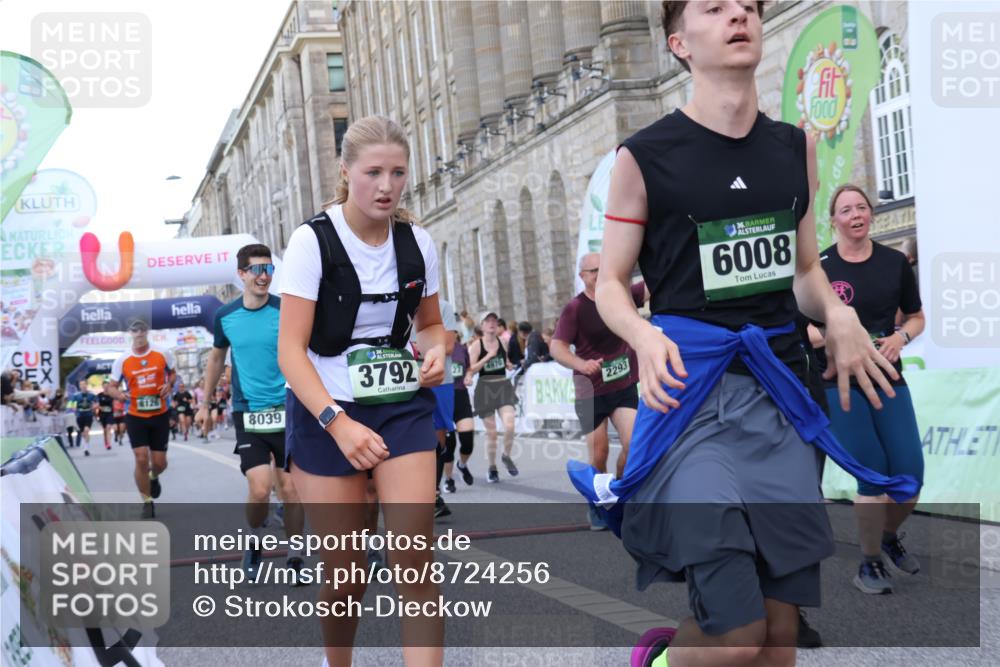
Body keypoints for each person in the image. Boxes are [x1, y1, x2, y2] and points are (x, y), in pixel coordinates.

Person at [573, 3, 913, 666]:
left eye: (750, 7)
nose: (740, 15)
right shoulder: (643, 157)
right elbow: (611, 281)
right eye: (715, 7)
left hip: (780, 395)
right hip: (691, 399)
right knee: (737, 635)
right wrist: (641, 335)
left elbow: (805, 269)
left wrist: (837, 314)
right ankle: (660, 659)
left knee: (780, 638)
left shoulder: (795, 147)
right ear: (679, 42)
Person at [277, 114, 445, 666]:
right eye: (373, 172)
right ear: (346, 172)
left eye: (398, 172)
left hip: (401, 405)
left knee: (413, 557)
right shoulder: (311, 242)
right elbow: (290, 352)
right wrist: (337, 423)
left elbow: (430, 325)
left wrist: (438, 347)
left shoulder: (417, 241)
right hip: (326, 408)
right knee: (345, 575)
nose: (387, 186)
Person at [811, 184, 925, 595]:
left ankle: (887, 537)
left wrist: (901, 339)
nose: (856, 214)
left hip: (887, 374)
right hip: (840, 382)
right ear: (833, 219)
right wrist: (835, 334)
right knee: (873, 473)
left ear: (871, 215)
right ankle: (869, 563)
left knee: (911, 476)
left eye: (862, 207)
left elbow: (915, 316)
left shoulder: (894, 262)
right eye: (846, 209)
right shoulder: (819, 268)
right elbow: (800, 328)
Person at [198, 243, 308, 584]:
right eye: (257, 270)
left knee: (290, 489)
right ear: (242, 274)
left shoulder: (285, 309)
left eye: (269, 269)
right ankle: (254, 537)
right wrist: (205, 403)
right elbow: (217, 359)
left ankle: (295, 559)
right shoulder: (225, 317)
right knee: (260, 489)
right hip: (250, 413)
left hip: (288, 410)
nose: (264, 276)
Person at [551, 253, 648, 530]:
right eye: (594, 270)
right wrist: (581, 363)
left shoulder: (623, 295)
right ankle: (597, 501)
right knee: (599, 452)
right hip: (589, 390)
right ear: (582, 276)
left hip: (623, 384)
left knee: (634, 443)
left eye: (603, 268)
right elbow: (557, 347)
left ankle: (616, 492)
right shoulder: (575, 308)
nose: (599, 274)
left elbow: (655, 284)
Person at [108, 317, 175, 519]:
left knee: (160, 463)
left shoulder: (162, 353)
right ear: (130, 333)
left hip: (160, 414)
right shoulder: (123, 360)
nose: (138, 334)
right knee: (141, 458)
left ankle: (154, 476)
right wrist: (119, 394)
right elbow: (110, 387)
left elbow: (172, 374)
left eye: (142, 330)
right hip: (135, 415)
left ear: (147, 331)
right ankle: (146, 501)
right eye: (134, 330)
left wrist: (169, 385)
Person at [411, 298, 458, 518]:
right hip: (404, 379)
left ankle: (434, 493)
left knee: (437, 439)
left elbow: (447, 346)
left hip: (438, 380)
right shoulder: (396, 300)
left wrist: (411, 349)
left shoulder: (444, 307)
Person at [467, 311, 519, 483]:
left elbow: (505, 361)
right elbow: (471, 369)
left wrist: (509, 365)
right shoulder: (476, 346)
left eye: (494, 321)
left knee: (510, 425)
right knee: (492, 434)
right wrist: (488, 356)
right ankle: (492, 467)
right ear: (482, 325)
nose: (492, 323)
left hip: (503, 385)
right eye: (488, 321)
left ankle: (506, 456)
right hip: (486, 388)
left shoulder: (502, 342)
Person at [445, 319, 476, 490]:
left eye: (454, 331)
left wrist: (469, 375)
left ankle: (462, 465)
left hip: (461, 395)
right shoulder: (437, 349)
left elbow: (469, 368)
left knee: (467, 441)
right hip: (445, 397)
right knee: (449, 445)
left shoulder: (462, 348)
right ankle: (449, 480)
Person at [69, 379, 98, 455]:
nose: (83, 386)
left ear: (86, 385)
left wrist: (95, 406)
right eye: (81, 384)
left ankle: (86, 449)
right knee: (83, 433)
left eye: (84, 384)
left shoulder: (91, 394)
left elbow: (97, 402)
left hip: (88, 414)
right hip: (79, 415)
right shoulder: (76, 395)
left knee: (87, 430)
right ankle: (85, 445)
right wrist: (73, 408)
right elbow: (71, 404)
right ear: (79, 386)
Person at [97, 380, 116, 450]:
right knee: (105, 430)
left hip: (110, 414)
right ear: (102, 387)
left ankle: (109, 443)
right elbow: (96, 404)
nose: (106, 387)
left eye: (107, 386)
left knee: (108, 427)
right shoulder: (99, 395)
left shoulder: (112, 395)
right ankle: (106, 442)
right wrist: (100, 407)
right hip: (102, 414)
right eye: (104, 386)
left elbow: (115, 403)